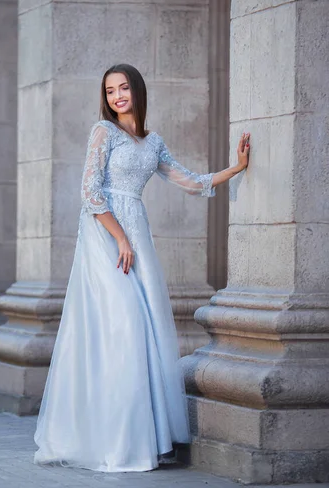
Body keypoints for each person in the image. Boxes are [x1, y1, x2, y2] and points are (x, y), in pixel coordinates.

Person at [34, 63, 250, 473]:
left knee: (145, 328)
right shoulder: (103, 133)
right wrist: (119, 238)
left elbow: (190, 182)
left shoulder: (153, 142)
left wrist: (236, 168)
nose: (117, 96)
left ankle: (141, 440)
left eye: (124, 87)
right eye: (110, 90)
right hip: (106, 236)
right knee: (123, 326)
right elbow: (89, 191)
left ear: (137, 90)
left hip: (137, 235)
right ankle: (115, 441)